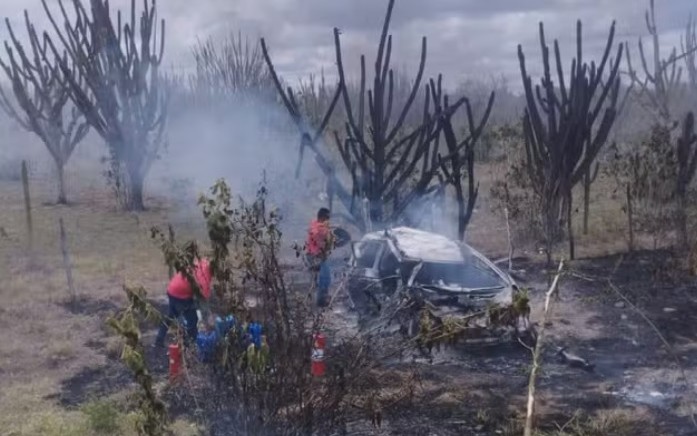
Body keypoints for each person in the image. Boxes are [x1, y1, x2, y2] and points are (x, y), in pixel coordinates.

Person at [155, 257, 213, 348]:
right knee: (192, 320)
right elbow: (204, 297)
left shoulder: (202, 262)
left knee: (170, 316)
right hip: (181, 294)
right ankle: (190, 345)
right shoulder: (205, 274)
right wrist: (208, 317)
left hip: (172, 289)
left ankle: (159, 340)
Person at [305, 208, 335, 307]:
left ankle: (315, 301)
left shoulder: (314, 224)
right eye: (327, 218)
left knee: (316, 279)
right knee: (325, 278)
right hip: (317, 256)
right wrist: (329, 234)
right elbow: (324, 241)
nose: (329, 220)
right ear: (323, 218)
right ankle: (321, 301)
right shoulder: (321, 229)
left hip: (311, 255)